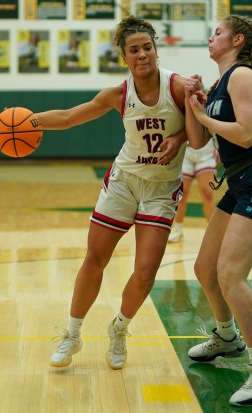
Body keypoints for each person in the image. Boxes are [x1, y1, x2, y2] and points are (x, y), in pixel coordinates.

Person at [36, 15, 188, 370]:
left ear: (156, 50)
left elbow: (203, 130)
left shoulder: (178, 87)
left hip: (162, 188)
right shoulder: (119, 94)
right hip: (124, 182)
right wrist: (30, 121)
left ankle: (119, 329)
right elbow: (69, 116)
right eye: (133, 50)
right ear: (124, 57)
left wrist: (179, 137)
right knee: (94, 258)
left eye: (147, 47)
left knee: (146, 271)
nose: (142, 55)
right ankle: (72, 334)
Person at [184, 15, 252, 407]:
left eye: (217, 32)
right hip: (240, 180)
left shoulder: (244, 76)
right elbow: (198, 142)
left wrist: (202, 116)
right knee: (204, 268)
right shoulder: (218, 85)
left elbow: (246, 135)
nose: (211, 38)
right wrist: (191, 102)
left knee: (231, 274)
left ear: (237, 39)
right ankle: (226, 337)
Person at [168, 139, 218, 242]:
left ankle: (212, 233)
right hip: (185, 151)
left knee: (207, 193)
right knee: (181, 193)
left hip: (207, 152)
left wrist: (220, 147)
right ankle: (178, 230)